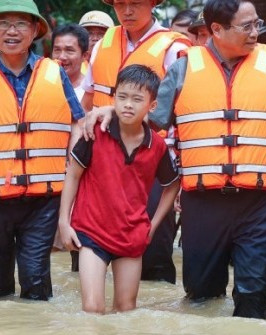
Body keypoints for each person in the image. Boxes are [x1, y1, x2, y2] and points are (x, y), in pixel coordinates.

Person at [84, 0, 266, 319]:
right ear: (217, 30)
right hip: (201, 203)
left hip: (260, 203)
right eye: (247, 25)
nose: (256, 32)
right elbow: (152, 118)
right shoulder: (184, 67)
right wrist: (112, 110)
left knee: (254, 300)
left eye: (257, 23)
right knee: (201, 299)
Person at [81, 0, 191, 285]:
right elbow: (89, 99)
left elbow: (185, 110)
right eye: (120, 4)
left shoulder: (174, 48)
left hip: (150, 159)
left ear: (153, 4)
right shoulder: (104, 42)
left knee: (152, 251)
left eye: (136, 3)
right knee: (90, 244)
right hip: (102, 159)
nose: (127, 10)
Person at [58, 64, 179, 314]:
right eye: (122, 97)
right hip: (92, 231)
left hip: (132, 235)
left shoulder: (156, 146)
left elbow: (172, 185)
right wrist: (63, 222)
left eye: (137, 99)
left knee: (126, 309)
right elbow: (72, 175)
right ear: (113, 99)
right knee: (92, 308)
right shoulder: (95, 134)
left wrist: (152, 226)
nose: (128, 105)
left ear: (152, 106)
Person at [0, 0, 85, 301]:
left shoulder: (53, 72)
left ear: (35, 30)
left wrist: (73, 176)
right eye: (4, 23)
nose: (12, 31)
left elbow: (77, 123)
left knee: (35, 281)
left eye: (21, 23)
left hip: (43, 200)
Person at [50, 23, 90, 260]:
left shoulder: (93, 90)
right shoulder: (40, 87)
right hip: (48, 183)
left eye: (69, 50)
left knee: (80, 252)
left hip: (84, 185)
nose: (62, 57)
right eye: (57, 50)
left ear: (84, 55)